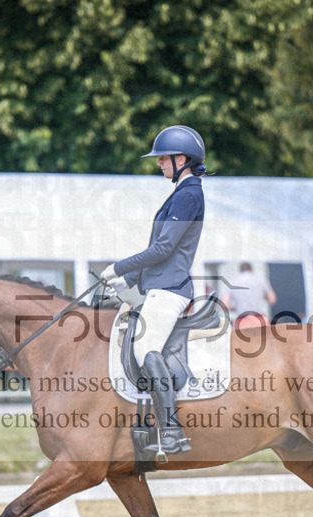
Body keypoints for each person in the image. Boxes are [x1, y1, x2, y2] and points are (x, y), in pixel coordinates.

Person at [100, 125, 207, 456]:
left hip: (171, 289)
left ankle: (172, 431)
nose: (159, 163)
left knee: (145, 347)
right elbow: (161, 254)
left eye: (163, 158)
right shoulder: (180, 194)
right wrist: (129, 285)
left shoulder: (189, 194)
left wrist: (119, 266)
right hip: (159, 286)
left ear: (181, 159)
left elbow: (162, 249)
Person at [223, 262, 277, 329]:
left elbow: (225, 305)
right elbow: (272, 299)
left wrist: (235, 308)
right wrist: (262, 295)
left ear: (240, 270)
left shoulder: (233, 282)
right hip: (259, 320)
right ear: (251, 270)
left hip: (241, 321)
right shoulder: (261, 280)